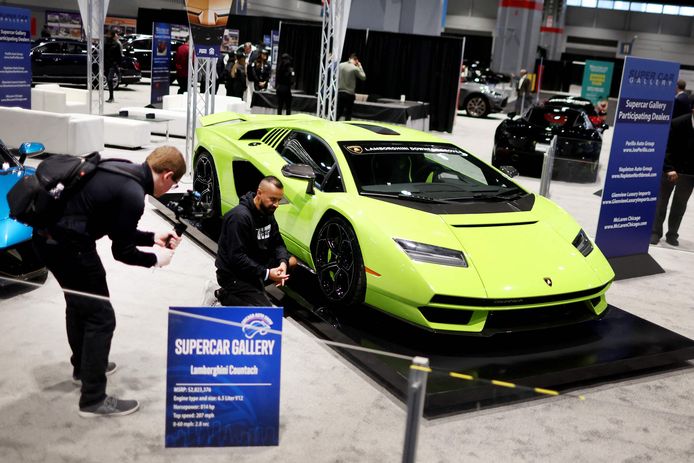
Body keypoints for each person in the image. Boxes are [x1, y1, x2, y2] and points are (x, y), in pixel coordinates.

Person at [33, 146, 186, 417]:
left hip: (48, 239)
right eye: (174, 183)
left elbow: (118, 229)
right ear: (168, 175)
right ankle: (92, 399)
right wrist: (156, 261)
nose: (171, 188)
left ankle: (84, 367)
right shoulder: (134, 194)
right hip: (71, 247)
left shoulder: (123, 169)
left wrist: (153, 238)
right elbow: (121, 252)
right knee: (101, 317)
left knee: (80, 304)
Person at [215, 176, 296, 306]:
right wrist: (268, 273)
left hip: (255, 265)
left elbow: (278, 243)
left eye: (279, 200)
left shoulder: (267, 212)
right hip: (234, 275)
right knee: (264, 315)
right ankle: (225, 295)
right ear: (259, 193)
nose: (276, 205)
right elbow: (236, 258)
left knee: (291, 261)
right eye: (273, 199)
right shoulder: (239, 218)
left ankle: (254, 290)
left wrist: (282, 264)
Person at [650, 108, 694, 247]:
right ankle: (655, 232)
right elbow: (666, 146)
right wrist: (669, 168)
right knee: (661, 202)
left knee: (680, 205)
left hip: (689, 174)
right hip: (670, 171)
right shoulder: (677, 123)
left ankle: (672, 234)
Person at [337, 53, 366, 121]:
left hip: (340, 92)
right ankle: (347, 127)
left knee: (339, 111)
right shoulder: (354, 68)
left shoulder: (340, 65)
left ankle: (332, 124)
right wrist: (360, 66)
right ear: (356, 61)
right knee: (348, 112)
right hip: (349, 93)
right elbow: (363, 77)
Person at [104, 29, 123, 103]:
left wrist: (119, 65)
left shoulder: (116, 44)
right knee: (109, 80)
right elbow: (104, 54)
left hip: (113, 64)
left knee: (109, 79)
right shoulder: (106, 43)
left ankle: (111, 97)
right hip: (107, 64)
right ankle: (111, 97)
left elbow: (119, 56)